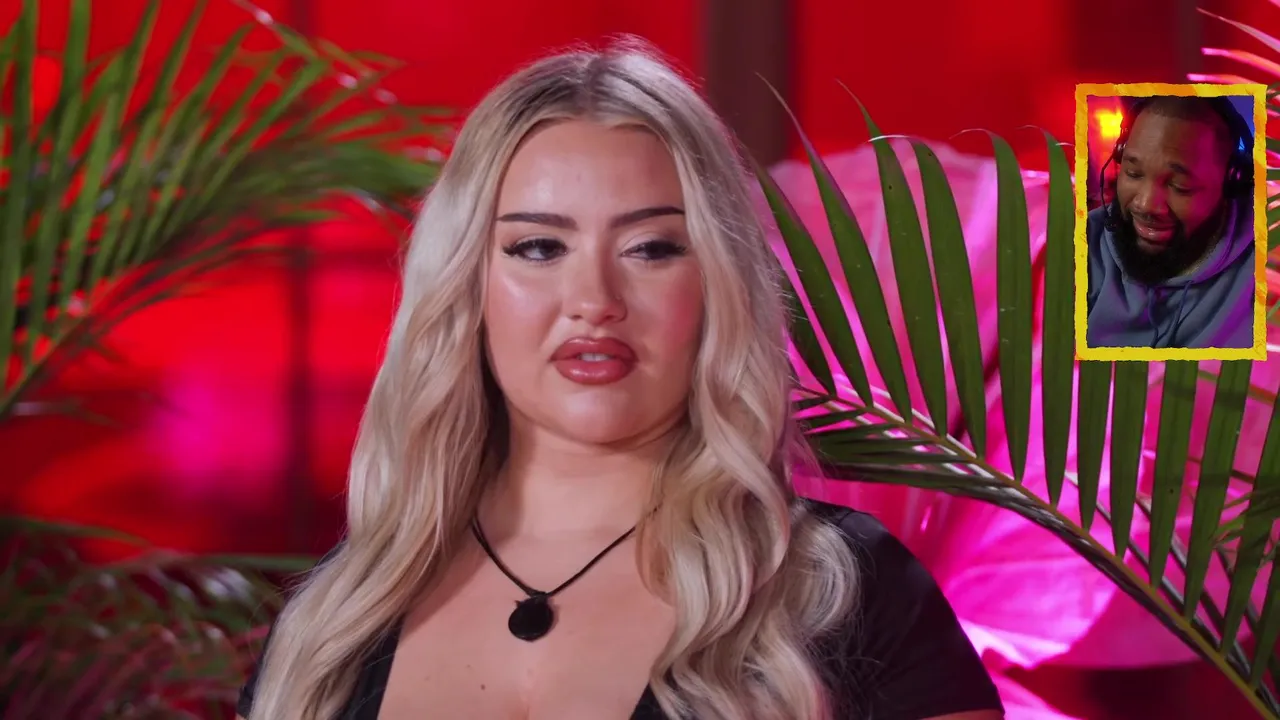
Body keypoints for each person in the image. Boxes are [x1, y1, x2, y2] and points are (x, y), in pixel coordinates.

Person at [237, 38, 1004, 720]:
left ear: (717, 284)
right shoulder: (340, 620)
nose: (595, 301)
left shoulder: (842, 589)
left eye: (651, 248)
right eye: (539, 248)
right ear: (467, 285)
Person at [1085, 95, 1257, 349]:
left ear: (1231, 183)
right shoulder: (1080, 242)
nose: (1145, 204)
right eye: (1133, 173)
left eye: (1180, 186)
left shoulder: (1264, 273)